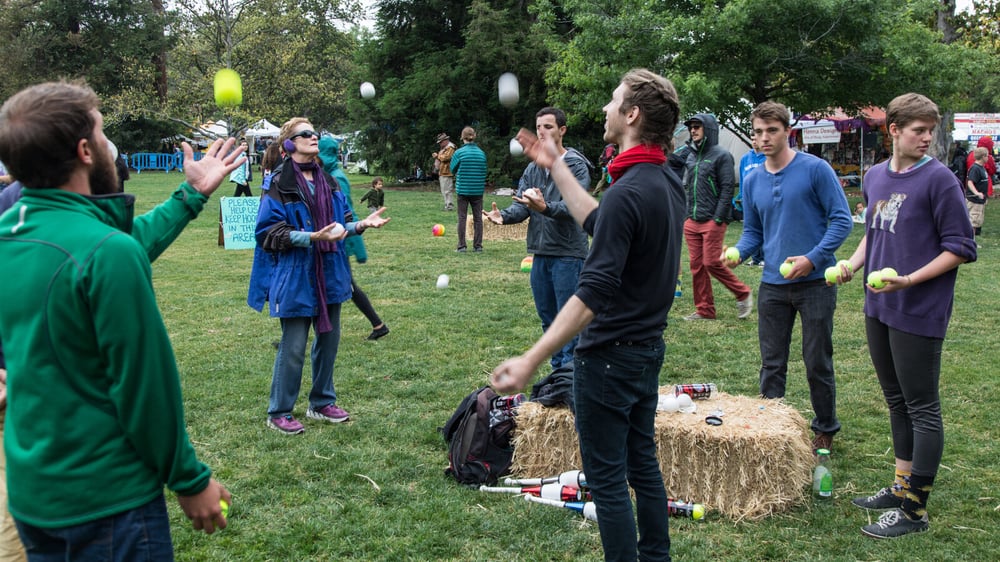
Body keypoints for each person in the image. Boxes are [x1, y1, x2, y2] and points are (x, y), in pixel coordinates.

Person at [0, 80, 236, 558]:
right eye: (104, 133)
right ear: (86, 151)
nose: (112, 146)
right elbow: (145, 387)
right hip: (108, 504)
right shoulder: (106, 253)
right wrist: (189, 480)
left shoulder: (12, 232)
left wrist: (190, 195)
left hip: (34, 497)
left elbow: (95, 249)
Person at [491, 68, 684, 562]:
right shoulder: (663, 179)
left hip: (608, 360)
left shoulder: (630, 190)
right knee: (642, 463)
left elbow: (593, 291)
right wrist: (555, 165)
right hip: (645, 351)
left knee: (607, 479)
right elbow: (601, 221)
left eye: (613, 100)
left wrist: (532, 359)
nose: (605, 108)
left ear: (632, 114)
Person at [836, 93, 976, 539]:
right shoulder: (876, 175)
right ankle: (900, 487)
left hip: (919, 307)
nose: (927, 138)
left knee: (922, 407)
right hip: (879, 304)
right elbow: (874, 233)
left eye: (930, 131)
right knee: (896, 401)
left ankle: (915, 511)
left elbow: (960, 247)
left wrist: (911, 280)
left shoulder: (940, 180)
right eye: (918, 130)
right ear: (893, 130)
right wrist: (851, 265)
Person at [723, 101, 852, 453]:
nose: (764, 138)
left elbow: (842, 220)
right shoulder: (751, 179)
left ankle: (825, 428)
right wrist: (738, 252)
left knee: (816, 361)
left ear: (787, 131)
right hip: (773, 287)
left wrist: (812, 260)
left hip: (815, 285)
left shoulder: (816, 169)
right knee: (772, 362)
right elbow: (753, 232)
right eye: (758, 132)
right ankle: (771, 426)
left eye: (772, 131)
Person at [248, 118, 389, 435]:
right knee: (294, 346)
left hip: (330, 271)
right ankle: (280, 411)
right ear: (289, 143)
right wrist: (310, 237)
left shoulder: (330, 181)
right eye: (306, 134)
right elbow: (268, 233)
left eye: (315, 133)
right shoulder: (278, 184)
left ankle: (321, 402)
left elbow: (340, 226)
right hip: (297, 273)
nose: (314, 137)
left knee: (329, 340)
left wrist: (360, 226)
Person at [483, 107, 593, 369]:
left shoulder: (575, 164)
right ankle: (558, 375)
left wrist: (546, 208)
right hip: (541, 252)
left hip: (568, 254)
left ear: (562, 130)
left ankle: (571, 377)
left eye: (549, 127)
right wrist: (505, 216)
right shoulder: (533, 168)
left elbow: (575, 206)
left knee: (569, 323)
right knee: (549, 319)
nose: (542, 132)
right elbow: (523, 204)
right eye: (539, 127)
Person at [317, 136, 390, 341]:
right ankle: (378, 325)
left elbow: (346, 211)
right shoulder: (327, 173)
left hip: (341, 239)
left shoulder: (336, 177)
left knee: (347, 285)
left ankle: (378, 324)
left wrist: (355, 244)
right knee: (342, 284)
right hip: (333, 238)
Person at [681, 113, 752, 321]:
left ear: (709, 130)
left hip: (713, 219)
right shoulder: (691, 156)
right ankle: (705, 310)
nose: (693, 130)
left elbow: (727, 188)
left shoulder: (722, 155)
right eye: (691, 127)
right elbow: (687, 186)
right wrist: (686, 215)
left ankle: (742, 293)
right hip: (692, 220)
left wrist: (718, 218)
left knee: (711, 262)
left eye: (698, 127)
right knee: (697, 266)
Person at [450, 126, 487, 253]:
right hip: (477, 191)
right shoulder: (481, 153)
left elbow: (452, 169)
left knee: (462, 217)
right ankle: (478, 246)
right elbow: (484, 171)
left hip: (463, 190)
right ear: (474, 136)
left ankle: (462, 246)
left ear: (462, 137)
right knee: (478, 219)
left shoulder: (459, 153)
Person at [738, 131, 766, 265]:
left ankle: (765, 258)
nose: (754, 141)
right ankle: (755, 259)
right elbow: (743, 178)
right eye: (752, 139)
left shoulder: (767, 157)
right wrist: (742, 196)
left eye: (756, 138)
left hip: (763, 197)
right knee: (751, 228)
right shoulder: (745, 158)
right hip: (749, 199)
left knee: (765, 228)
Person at [966, 146, 989, 241]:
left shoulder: (982, 168)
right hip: (974, 200)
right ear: (983, 156)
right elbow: (970, 182)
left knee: (977, 222)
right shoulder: (975, 168)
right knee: (973, 222)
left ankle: (972, 241)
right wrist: (977, 193)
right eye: (987, 156)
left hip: (980, 200)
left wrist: (985, 197)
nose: (988, 158)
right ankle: (970, 242)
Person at [965, 135, 995, 199]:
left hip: (971, 181)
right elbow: (992, 171)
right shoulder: (987, 156)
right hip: (983, 184)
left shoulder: (971, 154)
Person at [432, 132, 456, 210]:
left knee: (447, 190)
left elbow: (446, 158)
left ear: (446, 140)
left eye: (441, 142)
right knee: (444, 190)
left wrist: (437, 156)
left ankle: (449, 206)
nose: (440, 144)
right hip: (443, 171)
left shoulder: (450, 147)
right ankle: (447, 205)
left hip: (447, 172)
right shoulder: (445, 148)